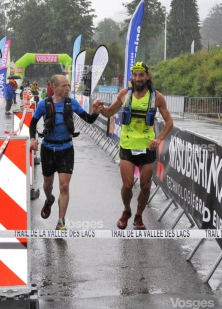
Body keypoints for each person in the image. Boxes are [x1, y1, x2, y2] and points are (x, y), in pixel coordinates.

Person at [96, 62, 173, 230]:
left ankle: (139, 216)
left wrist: (159, 139)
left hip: (147, 146)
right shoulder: (125, 94)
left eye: (141, 75)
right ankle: (126, 210)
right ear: (132, 77)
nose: (137, 79)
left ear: (147, 76)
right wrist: (99, 109)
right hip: (127, 144)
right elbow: (109, 112)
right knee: (127, 185)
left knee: (145, 186)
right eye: (135, 75)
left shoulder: (156, 97)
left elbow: (169, 122)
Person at [29, 74, 102, 230]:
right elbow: (33, 122)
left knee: (64, 186)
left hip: (66, 149)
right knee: (47, 185)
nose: (67, 88)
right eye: (64, 86)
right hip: (48, 148)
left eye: (68, 85)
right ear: (54, 88)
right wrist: (33, 139)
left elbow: (88, 119)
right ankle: (49, 200)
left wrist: (95, 112)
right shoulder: (44, 104)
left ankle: (61, 221)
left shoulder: (72, 103)